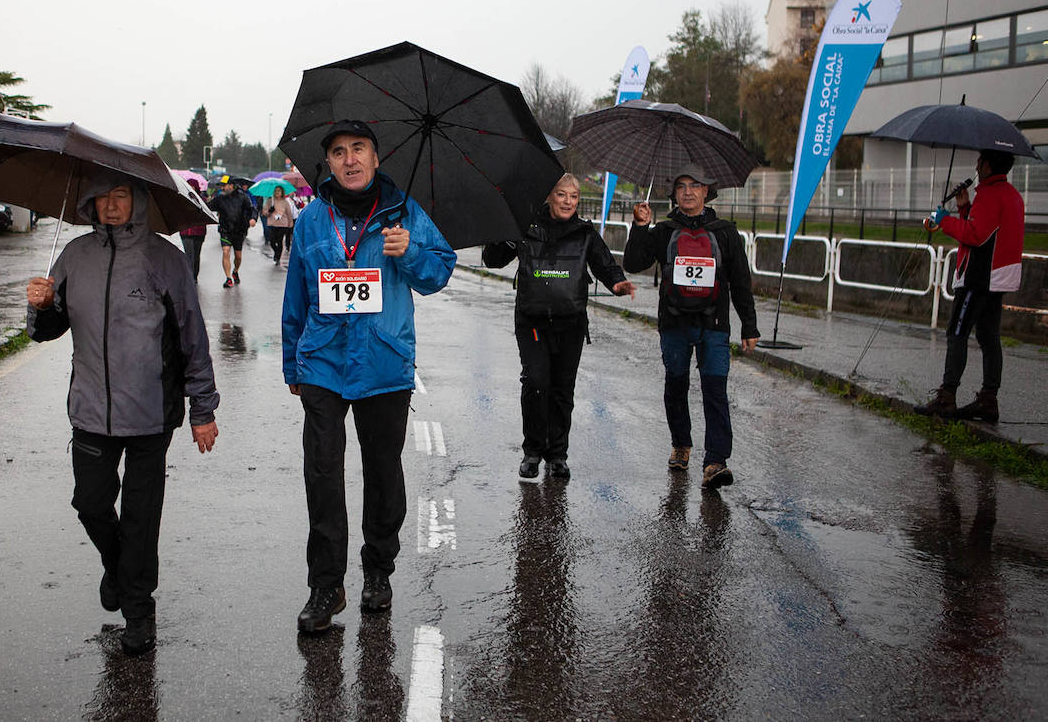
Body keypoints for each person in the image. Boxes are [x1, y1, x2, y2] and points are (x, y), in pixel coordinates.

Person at [25, 176, 220, 656]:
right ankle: (116, 569)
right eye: (102, 198)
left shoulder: (165, 259)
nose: (111, 207)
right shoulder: (74, 256)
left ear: (138, 201)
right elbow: (46, 330)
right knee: (90, 503)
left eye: (121, 197)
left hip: (153, 412)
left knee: (141, 516)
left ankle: (138, 609)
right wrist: (40, 306)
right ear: (89, 203)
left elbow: (192, 336)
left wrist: (203, 408)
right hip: (90, 409)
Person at [281, 120, 456, 633]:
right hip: (323, 364)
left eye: (359, 149)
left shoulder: (406, 214)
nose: (350, 159)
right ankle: (326, 585)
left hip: (384, 364)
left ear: (377, 158)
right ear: (328, 164)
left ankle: (378, 571)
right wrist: (293, 361)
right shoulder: (313, 219)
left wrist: (413, 252)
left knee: (383, 474)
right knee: (323, 476)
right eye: (338, 152)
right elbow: (297, 294)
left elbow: (439, 272)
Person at [481, 173, 636, 481]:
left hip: (571, 322)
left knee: (562, 389)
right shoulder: (526, 227)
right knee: (537, 382)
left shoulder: (584, 233)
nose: (568, 202)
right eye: (562, 195)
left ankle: (558, 456)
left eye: (573, 197)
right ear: (550, 197)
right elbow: (492, 260)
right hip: (532, 320)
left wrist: (617, 283)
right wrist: (508, 234)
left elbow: (605, 264)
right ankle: (533, 452)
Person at [623, 168, 758, 489]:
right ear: (674, 193)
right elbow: (633, 262)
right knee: (676, 385)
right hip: (674, 323)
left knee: (715, 390)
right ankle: (681, 445)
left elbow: (741, 282)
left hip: (714, 324)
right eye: (681, 186)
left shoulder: (725, 233)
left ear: (707, 192)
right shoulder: (665, 230)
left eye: (695, 186)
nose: (687, 192)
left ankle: (715, 461)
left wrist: (749, 326)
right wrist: (640, 227)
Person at [915, 150, 1025, 422]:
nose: (976, 165)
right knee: (989, 338)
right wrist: (964, 208)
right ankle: (989, 400)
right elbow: (987, 230)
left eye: (978, 161)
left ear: (987, 165)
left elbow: (975, 236)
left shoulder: (989, 195)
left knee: (958, 332)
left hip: (978, 277)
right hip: (998, 277)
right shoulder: (1012, 195)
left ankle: (946, 397)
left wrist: (944, 220)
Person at [207, 179, 257, 288]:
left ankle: (235, 271)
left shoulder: (243, 197)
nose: (222, 188)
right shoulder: (220, 198)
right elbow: (207, 207)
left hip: (239, 230)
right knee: (226, 251)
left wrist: (253, 218)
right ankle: (228, 278)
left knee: (238, 256)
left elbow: (252, 209)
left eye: (224, 186)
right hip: (225, 230)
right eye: (221, 186)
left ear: (231, 186)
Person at [178, 184, 209, 281]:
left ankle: (194, 276)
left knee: (196, 255)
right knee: (189, 255)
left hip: (199, 232)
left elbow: (206, 214)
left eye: (193, 186)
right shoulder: (181, 198)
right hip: (185, 231)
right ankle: (189, 277)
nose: (191, 188)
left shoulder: (202, 200)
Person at [265, 185, 297, 265]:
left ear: (282, 192)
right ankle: (276, 252)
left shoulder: (285, 202)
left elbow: (289, 213)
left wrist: (290, 223)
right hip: (272, 223)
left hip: (282, 224)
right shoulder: (270, 201)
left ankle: (278, 257)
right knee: (272, 241)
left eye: (279, 191)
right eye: (275, 191)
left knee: (279, 240)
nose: (277, 192)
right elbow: (264, 212)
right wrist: (269, 211)